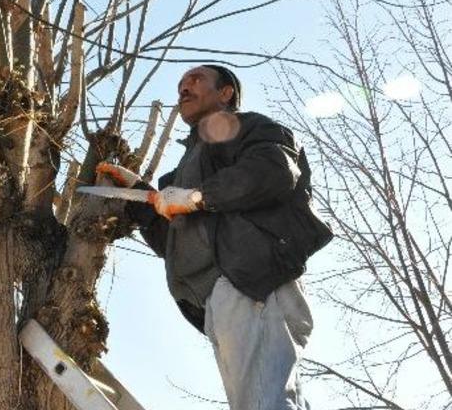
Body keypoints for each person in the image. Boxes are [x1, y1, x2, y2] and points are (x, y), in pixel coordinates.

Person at [97, 65, 332, 410]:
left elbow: (273, 171)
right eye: (180, 84)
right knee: (260, 403)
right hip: (218, 299)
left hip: (253, 284)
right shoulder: (187, 167)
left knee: (264, 404)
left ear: (226, 94)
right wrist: (140, 195)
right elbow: (173, 241)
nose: (184, 86)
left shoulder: (251, 127)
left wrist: (196, 197)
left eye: (196, 79)